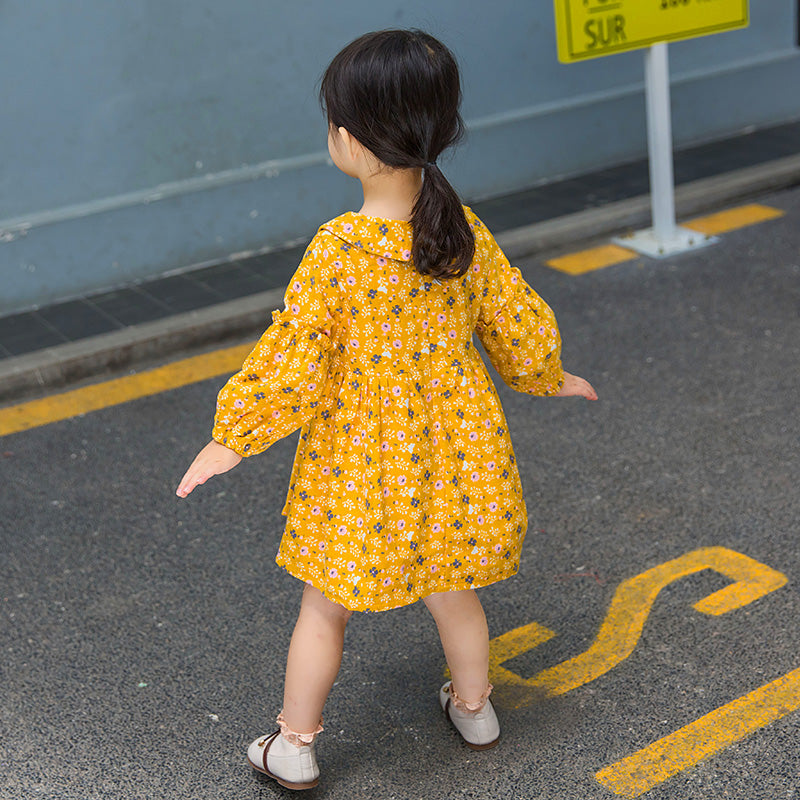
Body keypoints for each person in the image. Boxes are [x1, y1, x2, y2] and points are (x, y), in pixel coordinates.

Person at [176, 28, 597, 791]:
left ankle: (294, 745)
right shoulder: (460, 232)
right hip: (454, 454)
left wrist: (231, 439)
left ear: (349, 140)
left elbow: (294, 354)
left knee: (325, 606)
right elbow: (513, 318)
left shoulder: (340, 248)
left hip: (362, 462)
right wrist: (546, 376)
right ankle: (475, 707)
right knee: (453, 585)